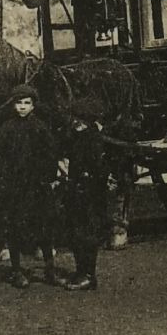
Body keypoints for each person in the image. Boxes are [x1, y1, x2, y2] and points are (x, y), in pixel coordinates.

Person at [0, 83, 60, 289]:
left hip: (37, 186)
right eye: (19, 103)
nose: (22, 107)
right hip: (15, 187)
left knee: (44, 226)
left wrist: (47, 177)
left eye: (27, 103)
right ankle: (16, 270)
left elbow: (51, 154)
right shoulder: (7, 128)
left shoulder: (41, 127)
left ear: (33, 105)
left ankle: (50, 270)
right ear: (13, 105)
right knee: (14, 227)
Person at [61, 95, 108, 293]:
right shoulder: (80, 137)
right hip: (78, 190)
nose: (75, 123)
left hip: (88, 192)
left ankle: (88, 275)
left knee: (85, 233)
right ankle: (82, 271)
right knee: (76, 232)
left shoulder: (92, 140)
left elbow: (98, 169)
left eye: (79, 120)